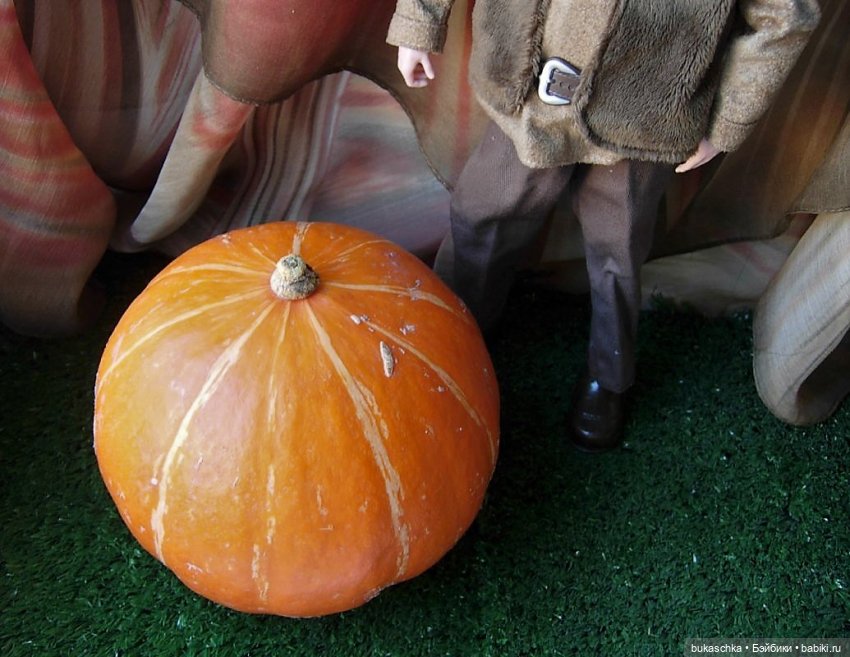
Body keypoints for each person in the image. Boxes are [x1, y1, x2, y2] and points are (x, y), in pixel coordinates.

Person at [386, 0, 820, 452]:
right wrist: (422, 20)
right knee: (482, 217)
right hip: (526, 88)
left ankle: (609, 374)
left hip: (643, 115)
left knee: (618, 250)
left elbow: (785, 15)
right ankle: (452, 333)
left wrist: (727, 120)